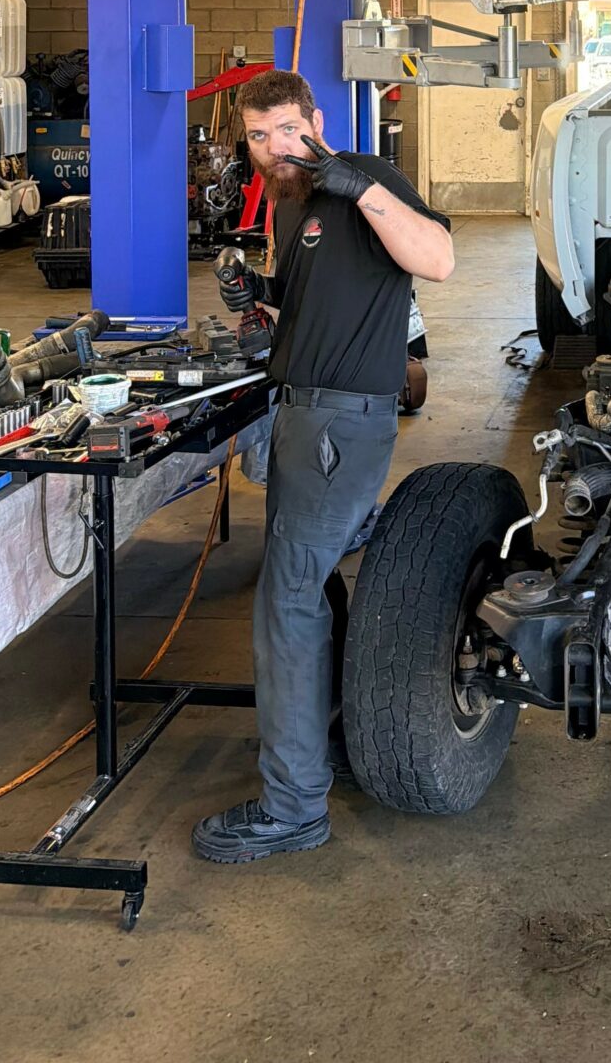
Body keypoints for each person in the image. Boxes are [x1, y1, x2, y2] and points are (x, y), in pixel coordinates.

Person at [191, 69, 454, 865]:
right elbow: (318, 307)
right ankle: (325, 741)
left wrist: (357, 185)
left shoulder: (361, 179)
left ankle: (294, 806)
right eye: (260, 136)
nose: (274, 148)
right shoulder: (290, 201)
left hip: (341, 421)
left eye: (286, 131)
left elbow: (437, 258)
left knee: (289, 605)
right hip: (304, 412)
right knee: (309, 588)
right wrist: (259, 300)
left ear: (315, 121)